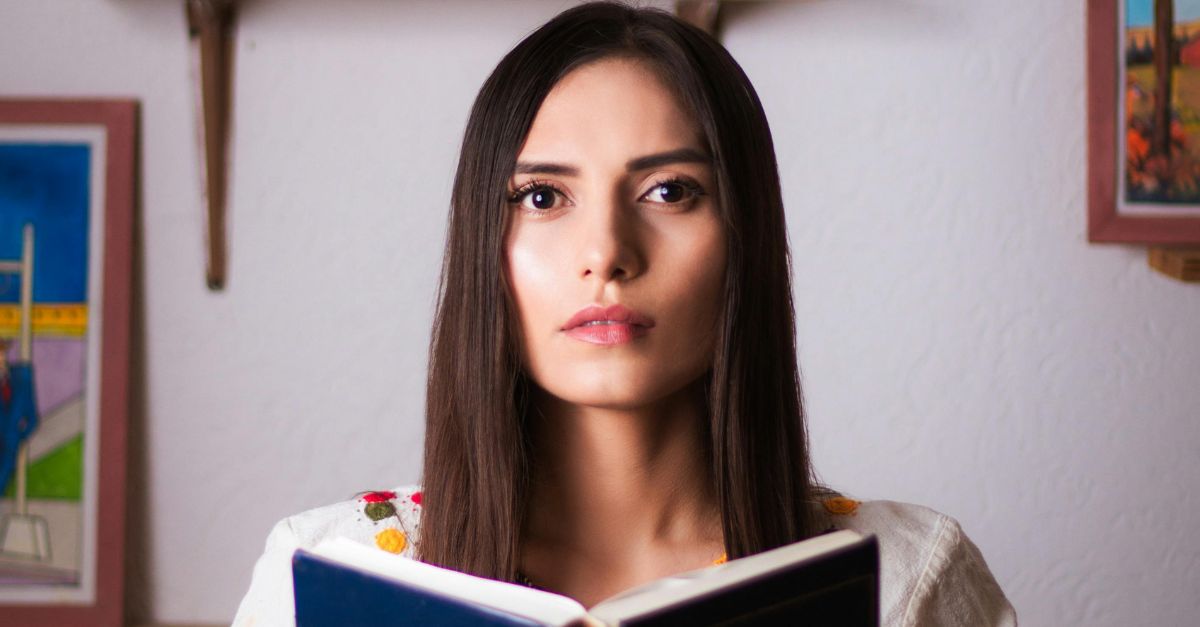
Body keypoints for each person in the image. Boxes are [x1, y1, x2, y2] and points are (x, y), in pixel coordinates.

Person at [233, 2, 1017, 625]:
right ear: (483, 247)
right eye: (543, 197)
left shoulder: (904, 580)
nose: (605, 251)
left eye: (669, 191)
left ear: (747, 235)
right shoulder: (325, 574)